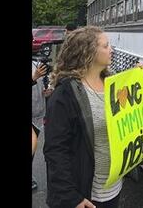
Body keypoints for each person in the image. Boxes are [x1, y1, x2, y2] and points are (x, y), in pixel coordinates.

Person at [44, 26, 121, 208]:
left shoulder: (114, 84)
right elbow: (56, 150)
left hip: (113, 188)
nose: (111, 50)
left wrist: (141, 76)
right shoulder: (65, 94)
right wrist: (70, 197)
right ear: (88, 52)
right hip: (85, 195)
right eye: (106, 46)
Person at [32, 62, 47, 191]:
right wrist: (34, 77)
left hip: (37, 115)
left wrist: (46, 92)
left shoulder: (35, 64)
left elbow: (39, 89)